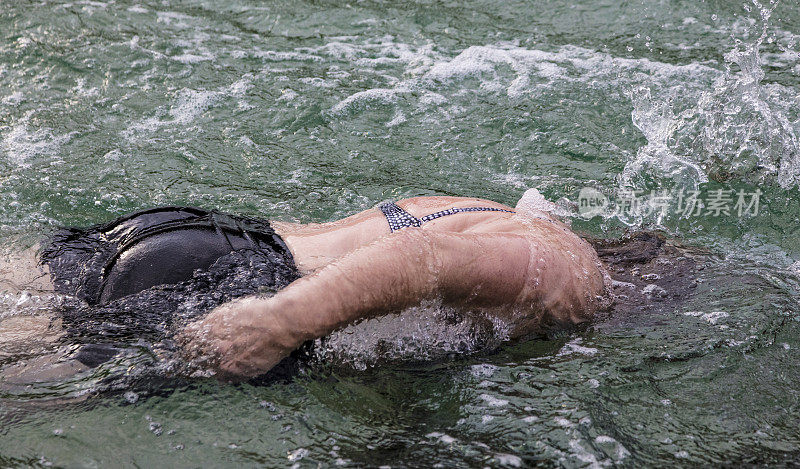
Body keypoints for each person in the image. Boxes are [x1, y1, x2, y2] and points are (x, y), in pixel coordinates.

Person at [3, 188, 609, 384]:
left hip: (199, 238)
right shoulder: (571, 276)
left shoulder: (504, 213)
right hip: (232, 283)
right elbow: (432, 256)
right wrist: (280, 321)